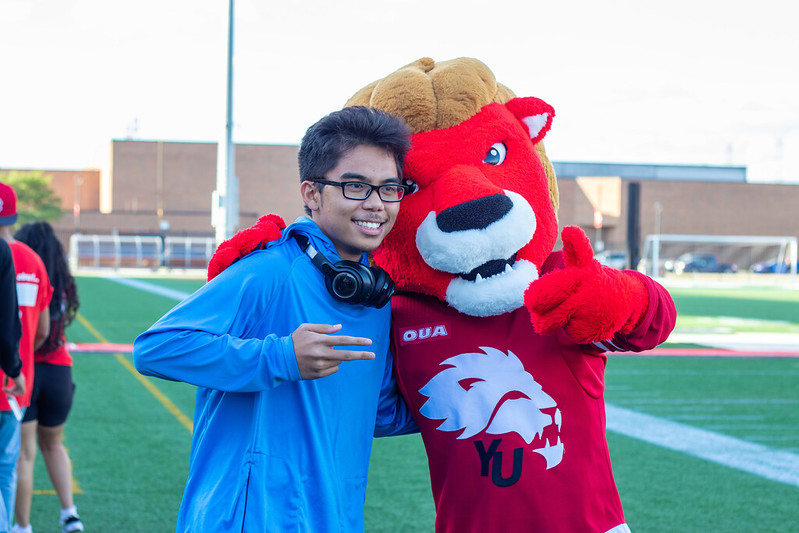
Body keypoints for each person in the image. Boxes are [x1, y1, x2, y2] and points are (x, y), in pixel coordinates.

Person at [133, 106, 417, 532]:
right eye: (356, 186)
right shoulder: (269, 271)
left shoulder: (374, 298)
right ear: (312, 193)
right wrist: (280, 357)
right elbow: (156, 348)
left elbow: (375, 413)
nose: (376, 204)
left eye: (389, 188)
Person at [12, 222, 83, 533]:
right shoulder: (62, 282)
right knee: (54, 445)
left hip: (29, 370)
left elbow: (34, 332)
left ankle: (22, 526)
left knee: (24, 455)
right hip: (60, 372)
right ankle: (70, 513)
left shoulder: (22, 275)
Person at [0, 183, 51, 533]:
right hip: (13, 379)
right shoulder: (30, 259)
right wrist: (17, 365)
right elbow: (41, 330)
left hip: (12, 371)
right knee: (7, 468)